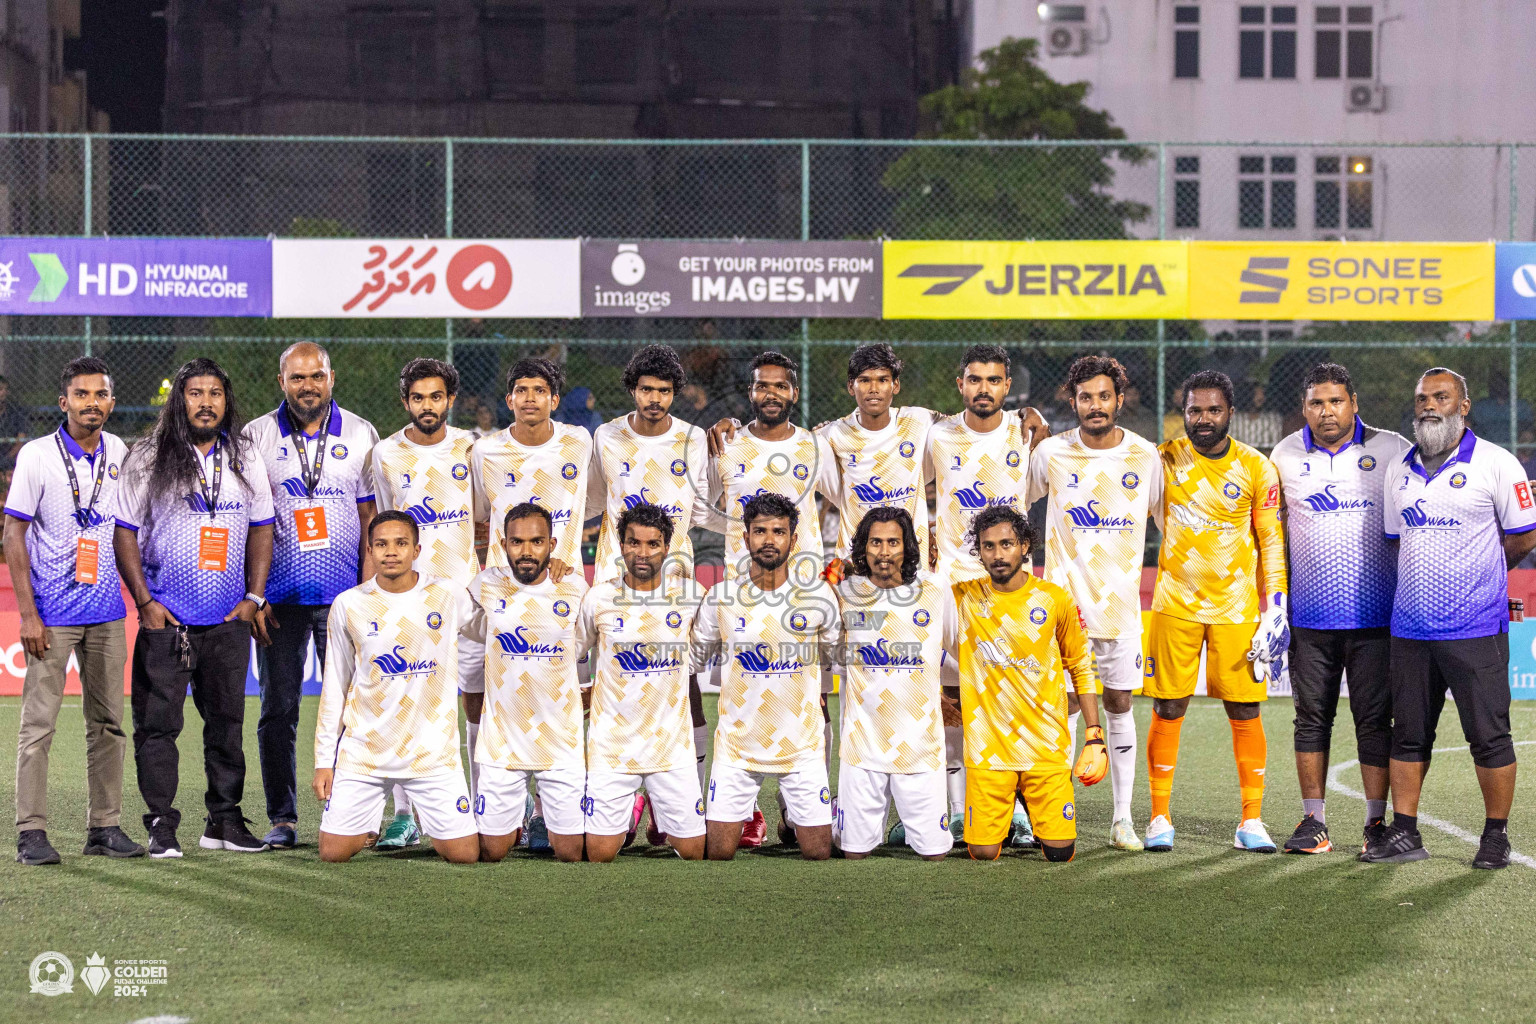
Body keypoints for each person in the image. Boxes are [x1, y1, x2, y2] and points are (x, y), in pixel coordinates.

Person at [1365, 367, 1536, 869]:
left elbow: (1524, 534)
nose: (1429, 406)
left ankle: (1495, 836)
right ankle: (1405, 833)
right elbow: (1396, 544)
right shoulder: (1399, 469)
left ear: (1463, 406)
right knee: (1409, 733)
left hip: (1476, 627)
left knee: (1489, 734)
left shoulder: (1497, 463)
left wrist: (1484, 573)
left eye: (1441, 397)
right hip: (1411, 631)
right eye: (1422, 398)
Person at [114, 357, 276, 858]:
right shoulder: (148, 455)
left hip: (229, 621)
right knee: (158, 728)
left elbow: (262, 526)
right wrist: (145, 602)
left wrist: (254, 598)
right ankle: (161, 825)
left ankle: (223, 822)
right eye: (195, 393)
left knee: (227, 727)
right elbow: (124, 532)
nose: (206, 403)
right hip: (169, 621)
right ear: (179, 400)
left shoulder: (245, 456)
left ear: (227, 401)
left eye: (215, 393)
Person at [1143, 369, 1288, 854]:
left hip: (1237, 609)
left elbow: (1269, 537)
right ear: (1181, 413)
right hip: (1174, 604)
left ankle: (1252, 821)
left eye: (1213, 410)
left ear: (1230, 412)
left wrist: (1278, 605)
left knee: (1245, 708)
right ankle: (1159, 816)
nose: (1203, 419)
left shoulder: (1254, 466)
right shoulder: (1159, 461)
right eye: (1194, 411)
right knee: (1168, 706)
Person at [1269, 363, 1408, 856]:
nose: (1326, 412)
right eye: (1316, 403)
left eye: (1335, 401)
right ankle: (1314, 822)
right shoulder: (1284, 453)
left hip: (1377, 617)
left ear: (1354, 403)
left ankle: (1375, 824)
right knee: (1310, 720)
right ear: (1304, 407)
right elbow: (1272, 527)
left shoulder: (1392, 448)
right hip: (1309, 619)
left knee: (1374, 722)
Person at [7, 357, 142, 865]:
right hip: (52, 614)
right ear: (64, 402)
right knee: (38, 726)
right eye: (81, 395)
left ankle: (104, 827)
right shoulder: (38, 456)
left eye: (101, 394)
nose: (92, 403)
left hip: (107, 611)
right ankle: (31, 832)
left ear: (111, 401)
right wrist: (27, 614)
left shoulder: (120, 452)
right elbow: (13, 533)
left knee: (108, 723)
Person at [1025, 355, 1162, 850]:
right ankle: (1056, 815)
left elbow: (1169, 520)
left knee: (1119, 703)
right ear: (1073, 400)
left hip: (1121, 609)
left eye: (1104, 396)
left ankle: (1122, 819)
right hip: (1061, 613)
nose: (1096, 406)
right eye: (1086, 397)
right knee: (1058, 709)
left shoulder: (1146, 456)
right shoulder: (1052, 454)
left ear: (1119, 400)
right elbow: (1016, 502)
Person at [245, 342, 379, 850]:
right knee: (278, 709)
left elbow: (371, 521)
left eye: (316, 377)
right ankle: (283, 817)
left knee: (351, 708)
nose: (307, 386)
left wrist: (366, 595)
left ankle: (348, 813)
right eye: (297, 378)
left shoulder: (362, 433)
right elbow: (245, 522)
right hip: (278, 599)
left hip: (342, 600)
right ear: (282, 381)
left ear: (331, 378)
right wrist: (254, 595)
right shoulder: (256, 437)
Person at [704, 351, 839, 847]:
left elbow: (848, 497)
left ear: (794, 393)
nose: (772, 394)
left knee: (810, 697)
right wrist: (735, 529)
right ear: (751, 392)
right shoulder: (726, 443)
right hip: (744, 591)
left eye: (781, 386)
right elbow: (701, 502)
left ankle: (798, 807)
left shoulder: (814, 446)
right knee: (745, 690)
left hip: (803, 591)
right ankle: (744, 808)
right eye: (764, 386)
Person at [584, 344, 717, 839]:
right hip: (614, 574)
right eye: (646, 389)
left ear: (675, 393)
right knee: (611, 681)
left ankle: (680, 800)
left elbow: (702, 508)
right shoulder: (607, 436)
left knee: (683, 684)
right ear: (633, 390)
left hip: (675, 577)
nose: (654, 399)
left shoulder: (693, 438)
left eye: (663, 391)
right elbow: (594, 501)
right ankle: (615, 791)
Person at [925, 344, 1043, 848]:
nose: (984, 389)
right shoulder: (937, 435)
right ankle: (955, 811)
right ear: (960, 385)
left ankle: (1012, 810)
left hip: (1012, 589)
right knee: (951, 701)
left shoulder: (1028, 432)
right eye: (974, 380)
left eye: (994, 381)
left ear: (1007, 387)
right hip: (953, 587)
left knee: (1009, 701)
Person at [311, 511, 478, 864]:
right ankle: (368, 819)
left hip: (432, 756)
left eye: (401, 543)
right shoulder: (349, 604)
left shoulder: (446, 594)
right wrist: (324, 762)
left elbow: (491, 627)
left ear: (416, 549)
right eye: (382, 544)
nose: (391, 552)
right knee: (332, 853)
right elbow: (335, 689)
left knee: (464, 855)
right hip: (365, 754)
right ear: (369, 551)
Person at [367, 358, 483, 849]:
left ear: (449, 400)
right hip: (408, 602)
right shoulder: (386, 453)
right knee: (403, 703)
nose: (427, 406)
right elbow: (384, 522)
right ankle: (403, 814)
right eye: (418, 398)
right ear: (405, 402)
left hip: (468, 598)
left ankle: (485, 803)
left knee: (478, 703)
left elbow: (486, 517)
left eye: (436, 397)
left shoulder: (472, 448)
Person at [947, 505, 1106, 862]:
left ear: (1025, 546)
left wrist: (1095, 733)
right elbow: (914, 596)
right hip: (990, 750)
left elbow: (1080, 665)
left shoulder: (1054, 599)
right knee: (984, 853)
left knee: (1060, 853)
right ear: (979, 551)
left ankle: (1029, 806)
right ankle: (1009, 810)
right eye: (989, 546)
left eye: (1007, 544)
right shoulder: (962, 597)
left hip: (1045, 747)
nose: (998, 554)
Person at [691, 493, 842, 861]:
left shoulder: (818, 595)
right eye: (760, 531)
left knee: (819, 853)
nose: (769, 540)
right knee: (717, 853)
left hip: (801, 748)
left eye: (778, 531)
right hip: (737, 749)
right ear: (745, 539)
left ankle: (815, 816)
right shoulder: (722, 597)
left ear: (794, 538)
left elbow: (838, 658)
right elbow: (692, 659)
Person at [467, 356, 587, 817]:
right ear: (509, 398)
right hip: (502, 592)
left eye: (540, 390)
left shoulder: (579, 441)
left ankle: (547, 811)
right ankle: (498, 807)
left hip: (562, 589)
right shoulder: (486, 451)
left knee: (557, 697)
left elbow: (593, 499)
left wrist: (564, 557)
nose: (530, 398)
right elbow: (480, 515)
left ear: (555, 399)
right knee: (496, 697)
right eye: (522, 389)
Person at [573, 502, 707, 861]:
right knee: (599, 854)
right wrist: (581, 689)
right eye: (634, 542)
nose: (643, 552)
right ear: (620, 544)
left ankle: (653, 804)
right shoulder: (599, 598)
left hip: (671, 750)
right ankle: (632, 803)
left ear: (667, 547)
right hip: (612, 749)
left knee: (695, 853)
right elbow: (573, 650)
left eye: (652, 544)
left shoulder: (691, 596)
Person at [463, 502, 589, 863]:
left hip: (559, 744)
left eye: (536, 542)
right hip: (502, 744)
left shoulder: (575, 588)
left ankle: (546, 818)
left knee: (573, 854)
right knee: (489, 853)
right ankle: (511, 821)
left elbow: (590, 644)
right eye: (517, 542)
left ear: (552, 543)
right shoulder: (484, 586)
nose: (527, 551)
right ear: (504, 544)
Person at [832, 507, 955, 861]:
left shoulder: (934, 590)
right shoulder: (846, 591)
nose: (884, 552)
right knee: (853, 854)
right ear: (862, 548)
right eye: (875, 543)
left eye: (893, 542)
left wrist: (945, 695)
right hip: (861, 748)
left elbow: (959, 646)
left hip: (920, 748)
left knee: (934, 855)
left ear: (907, 547)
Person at [0, 373, 32, 475]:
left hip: (10, 458)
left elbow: (20, 440)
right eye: (0, 389)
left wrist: (6, 459)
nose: (3, 393)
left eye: (4, 389)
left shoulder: (16, 412)